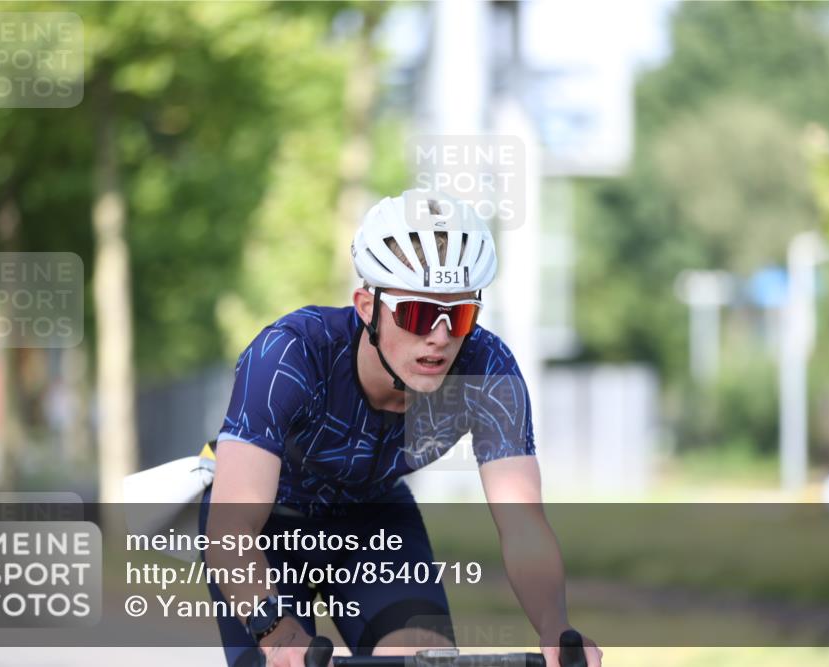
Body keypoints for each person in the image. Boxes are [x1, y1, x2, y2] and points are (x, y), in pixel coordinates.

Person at [199, 190, 603, 667]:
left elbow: (522, 523)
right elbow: (231, 528)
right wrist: (275, 629)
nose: (440, 336)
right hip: (265, 526)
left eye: (460, 315)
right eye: (416, 313)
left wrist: (555, 628)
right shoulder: (290, 355)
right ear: (367, 307)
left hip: (374, 520)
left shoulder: (486, 370)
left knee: (422, 660)